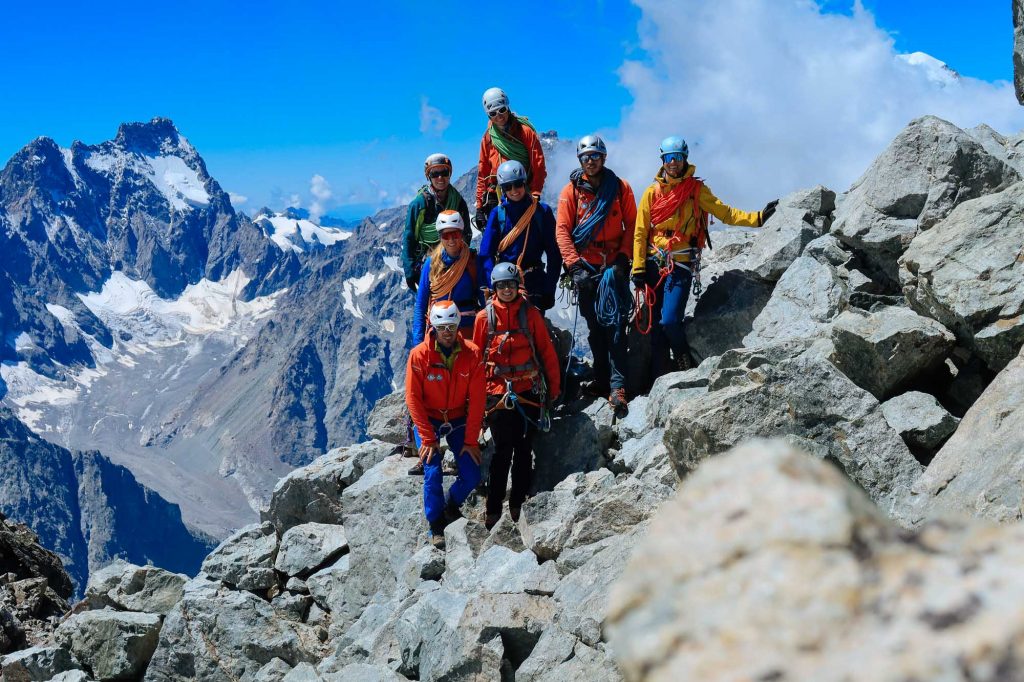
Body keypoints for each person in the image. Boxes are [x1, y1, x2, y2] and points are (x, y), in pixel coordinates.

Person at [632, 136, 778, 375]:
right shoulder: (651, 193)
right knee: (656, 327)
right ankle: (660, 377)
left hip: (680, 263)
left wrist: (758, 218)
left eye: (677, 158)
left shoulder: (696, 191)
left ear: (685, 159)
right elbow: (640, 232)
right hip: (653, 263)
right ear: (662, 160)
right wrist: (638, 268)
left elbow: (725, 213)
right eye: (669, 158)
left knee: (669, 320)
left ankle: (682, 357)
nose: (673, 163)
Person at [472, 263, 561, 530]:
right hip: (497, 393)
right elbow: (476, 361)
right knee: (502, 450)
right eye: (502, 286)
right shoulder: (483, 319)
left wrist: (553, 389)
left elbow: (546, 352)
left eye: (510, 285)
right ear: (495, 288)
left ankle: (517, 502)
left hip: (527, 391)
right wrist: (474, 402)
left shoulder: (530, 314)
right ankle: (494, 505)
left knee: (523, 449)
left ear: (517, 286)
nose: (507, 290)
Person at [555, 135, 637, 418]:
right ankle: (602, 378)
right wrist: (574, 265)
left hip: (613, 266)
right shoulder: (571, 192)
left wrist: (624, 258)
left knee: (615, 325)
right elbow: (563, 229)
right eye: (585, 157)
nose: (590, 161)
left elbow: (632, 226)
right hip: (586, 267)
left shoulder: (620, 188)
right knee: (595, 325)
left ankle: (617, 386)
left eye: (595, 156)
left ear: (603, 158)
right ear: (580, 161)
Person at [406, 300, 486, 549]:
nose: (448, 332)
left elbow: (478, 400)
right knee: (432, 470)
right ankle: (436, 524)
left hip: (457, 417)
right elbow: (413, 398)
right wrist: (428, 439)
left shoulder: (471, 353)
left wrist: (471, 440)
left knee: (472, 474)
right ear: (434, 328)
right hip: (429, 418)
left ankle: (450, 504)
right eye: (442, 328)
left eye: (452, 327)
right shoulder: (419, 355)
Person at [479, 160, 561, 311]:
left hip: (534, 281)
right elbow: (486, 254)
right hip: (505, 283)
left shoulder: (542, 212)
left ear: (525, 183)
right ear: (502, 189)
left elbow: (554, 253)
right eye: (507, 187)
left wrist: (549, 289)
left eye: (517, 184)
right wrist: (492, 286)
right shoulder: (498, 214)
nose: (514, 190)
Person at [475, 87, 547, 234]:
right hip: (497, 193)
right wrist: (479, 206)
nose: (499, 116)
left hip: (523, 190)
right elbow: (483, 172)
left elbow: (538, 164)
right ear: (488, 115)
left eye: (501, 110)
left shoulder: (525, 132)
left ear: (507, 107)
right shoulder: (488, 138)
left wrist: (535, 192)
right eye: (493, 113)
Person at [402, 153, 473, 292]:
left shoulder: (458, 201)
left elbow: (466, 233)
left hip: (453, 258)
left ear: (449, 174)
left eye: (444, 172)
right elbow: (409, 237)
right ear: (429, 176)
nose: (440, 178)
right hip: (426, 261)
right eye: (435, 174)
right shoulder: (419, 204)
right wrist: (409, 271)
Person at [411, 210, 483, 346]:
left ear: (461, 234)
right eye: (446, 235)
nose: (451, 240)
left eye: (455, 234)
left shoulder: (472, 261)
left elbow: (483, 298)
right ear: (440, 237)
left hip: (467, 328)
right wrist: (418, 343)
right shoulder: (431, 264)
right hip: (440, 328)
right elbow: (421, 305)